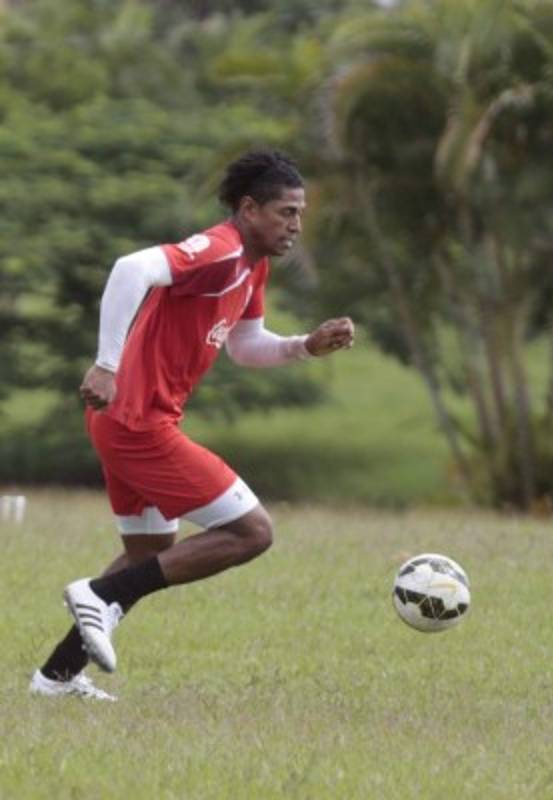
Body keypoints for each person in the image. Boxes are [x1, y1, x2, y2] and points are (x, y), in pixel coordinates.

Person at [29, 150, 356, 701]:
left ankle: (56, 677)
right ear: (248, 209)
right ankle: (97, 593)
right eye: (285, 212)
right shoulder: (221, 250)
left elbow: (246, 345)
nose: (296, 226)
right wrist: (106, 364)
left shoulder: (252, 267)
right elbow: (130, 269)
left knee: (150, 549)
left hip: (128, 421)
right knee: (253, 533)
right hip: (137, 423)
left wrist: (304, 346)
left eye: (300, 214)